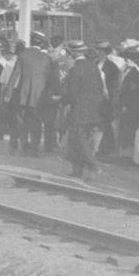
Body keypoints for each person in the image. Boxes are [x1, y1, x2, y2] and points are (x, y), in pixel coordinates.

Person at [5, 31, 58, 156]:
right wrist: (52, 94)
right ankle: (34, 149)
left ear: (31, 40)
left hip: (23, 94)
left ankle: (24, 148)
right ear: (42, 43)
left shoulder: (23, 55)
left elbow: (14, 75)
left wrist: (8, 93)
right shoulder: (46, 58)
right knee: (37, 122)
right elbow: (51, 79)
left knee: (22, 122)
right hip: (39, 97)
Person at [61, 39, 105, 179]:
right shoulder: (94, 67)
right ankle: (77, 171)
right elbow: (100, 87)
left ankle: (93, 165)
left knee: (79, 139)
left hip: (79, 109)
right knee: (80, 139)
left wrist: (62, 100)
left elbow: (72, 93)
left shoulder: (75, 69)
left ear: (72, 53)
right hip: (94, 109)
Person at [115, 40, 139, 159]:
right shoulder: (127, 71)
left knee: (129, 128)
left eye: (129, 59)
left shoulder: (134, 72)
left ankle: (129, 155)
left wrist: (125, 105)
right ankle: (125, 154)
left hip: (132, 105)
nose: (126, 61)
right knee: (126, 127)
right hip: (129, 103)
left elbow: (132, 91)